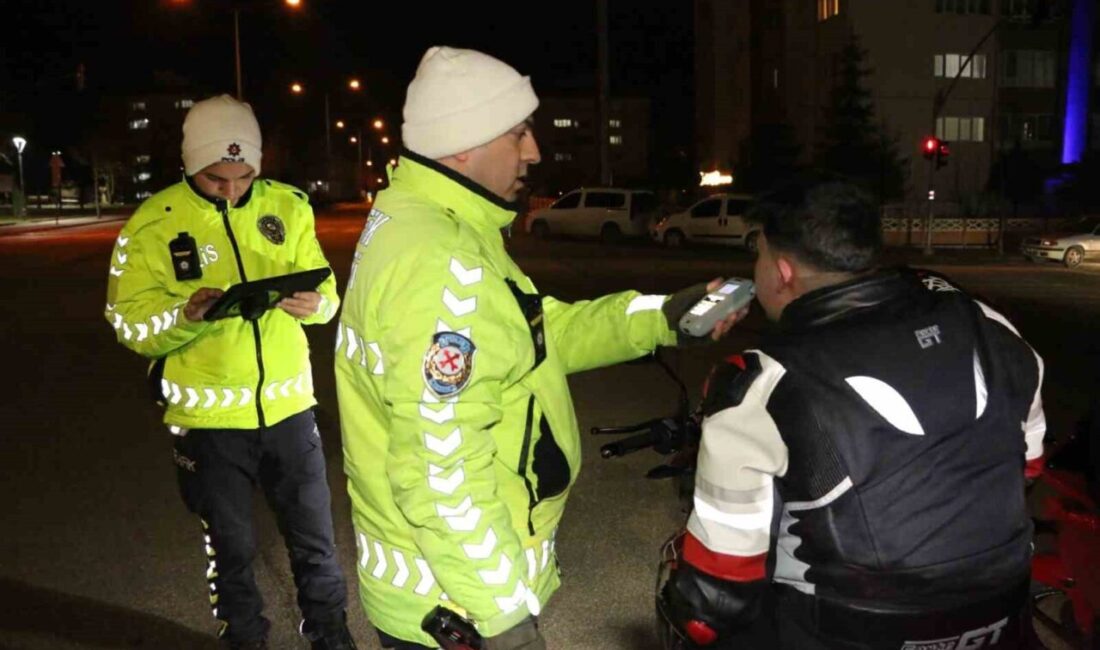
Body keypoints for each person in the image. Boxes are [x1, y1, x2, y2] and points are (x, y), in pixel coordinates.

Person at [334, 46, 743, 649]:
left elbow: (530, 335)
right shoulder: (441, 264)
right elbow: (439, 470)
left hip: (441, 588)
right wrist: (504, 621)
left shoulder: (432, 222)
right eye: (519, 133)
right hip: (456, 603)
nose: (535, 152)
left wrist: (662, 317)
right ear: (463, 143)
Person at [661, 182, 1046, 649]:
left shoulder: (759, 382)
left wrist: (687, 606)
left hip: (843, 629)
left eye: (756, 253)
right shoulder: (988, 324)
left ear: (782, 271)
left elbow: (724, 576)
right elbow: (1027, 466)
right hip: (1001, 612)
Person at [104, 94, 356, 650]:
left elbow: (327, 288)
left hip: (290, 409)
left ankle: (332, 637)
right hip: (208, 422)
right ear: (191, 165)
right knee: (232, 550)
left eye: (245, 176)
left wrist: (318, 306)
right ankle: (244, 639)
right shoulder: (152, 223)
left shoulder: (288, 206)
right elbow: (127, 323)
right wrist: (185, 315)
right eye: (218, 178)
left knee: (317, 543)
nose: (233, 189)